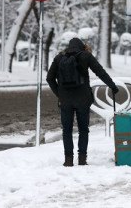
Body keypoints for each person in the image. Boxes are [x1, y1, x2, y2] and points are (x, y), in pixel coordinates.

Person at [46, 37, 119, 167]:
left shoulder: (59, 58)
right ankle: (82, 159)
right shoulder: (86, 56)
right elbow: (100, 72)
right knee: (83, 130)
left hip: (66, 101)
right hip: (83, 100)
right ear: (82, 46)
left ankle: (68, 160)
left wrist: (60, 94)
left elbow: (49, 78)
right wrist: (112, 86)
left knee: (67, 130)